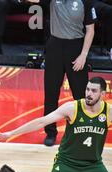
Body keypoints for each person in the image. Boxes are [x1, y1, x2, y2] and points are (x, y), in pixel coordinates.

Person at [27, 0, 96, 146]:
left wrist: (83, 55)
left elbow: (90, 30)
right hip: (55, 47)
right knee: (51, 94)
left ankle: (81, 133)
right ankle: (50, 133)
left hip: (76, 48)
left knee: (80, 96)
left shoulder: (86, 2)